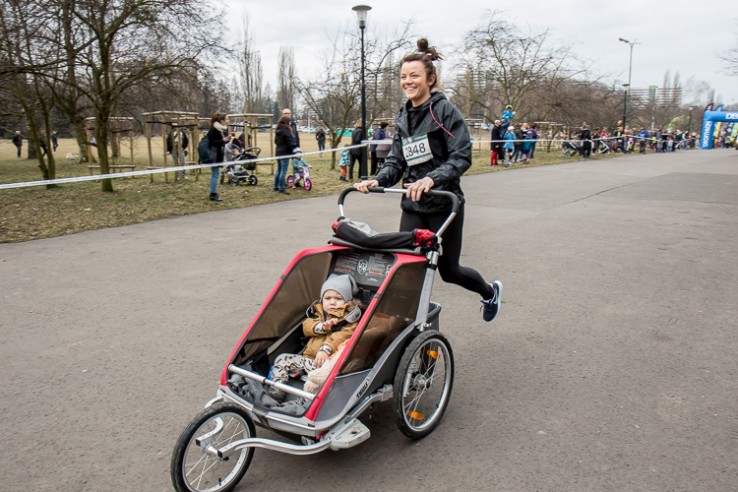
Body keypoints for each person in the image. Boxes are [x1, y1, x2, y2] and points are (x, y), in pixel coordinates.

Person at [354, 38, 502, 323]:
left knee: (449, 271)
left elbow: (461, 156)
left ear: (430, 79)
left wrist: (432, 179)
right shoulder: (403, 117)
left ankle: (489, 291)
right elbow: (397, 161)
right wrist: (377, 180)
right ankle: (406, 328)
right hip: (413, 204)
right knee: (405, 265)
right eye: (403, 76)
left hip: (444, 204)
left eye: (414, 76)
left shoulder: (445, 111)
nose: (408, 81)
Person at [267, 274, 361, 399]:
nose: (332, 302)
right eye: (328, 298)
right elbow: (306, 326)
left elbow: (342, 336)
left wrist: (325, 349)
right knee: (282, 359)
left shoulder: (349, 319)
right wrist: (322, 327)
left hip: (325, 365)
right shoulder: (318, 312)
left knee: (316, 384)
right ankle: (277, 389)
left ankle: (307, 400)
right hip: (308, 359)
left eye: (338, 298)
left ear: (347, 301)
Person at [206, 112, 232, 202]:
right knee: (215, 174)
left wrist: (226, 140)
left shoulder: (222, 129)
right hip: (214, 155)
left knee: (215, 174)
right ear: (222, 120)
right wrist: (222, 141)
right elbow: (211, 142)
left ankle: (213, 193)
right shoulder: (214, 129)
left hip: (218, 154)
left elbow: (221, 142)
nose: (228, 121)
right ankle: (213, 194)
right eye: (227, 119)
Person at [274, 115, 292, 194]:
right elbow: (289, 143)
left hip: (278, 152)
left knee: (278, 170)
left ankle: (276, 186)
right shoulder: (286, 130)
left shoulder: (277, 129)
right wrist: (291, 152)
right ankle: (281, 187)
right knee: (283, 171)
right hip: (285, 153)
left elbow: (275, 141)